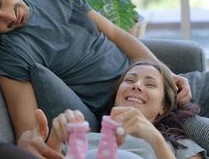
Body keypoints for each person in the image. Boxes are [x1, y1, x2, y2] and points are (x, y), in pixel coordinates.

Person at [0, 0, 209, 158]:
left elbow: (114, 34)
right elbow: (31, 130)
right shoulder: (10, 52)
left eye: (0, 1)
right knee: (190, 130)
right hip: (136, 106)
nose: (10, 16)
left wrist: (166, 74)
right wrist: (27, 141)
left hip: (150, 80)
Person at [45, 61, 207, 159]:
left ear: (162, 108)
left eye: (150, 84)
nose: (136, 85)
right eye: (130, 80)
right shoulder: (82, 138)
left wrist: (155, 139)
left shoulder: (177, 144)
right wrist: (55, 139)